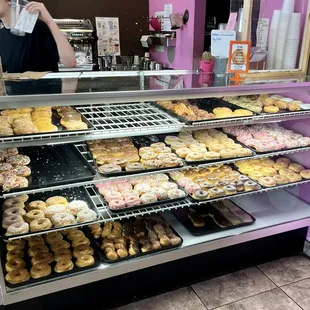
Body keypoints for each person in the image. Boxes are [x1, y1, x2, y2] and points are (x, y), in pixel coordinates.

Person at [0, 0, 76, 73]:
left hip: (44, 85)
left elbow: (70, 62)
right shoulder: (1, 35)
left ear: (10, 1)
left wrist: (49, 21)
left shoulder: (37, 27)